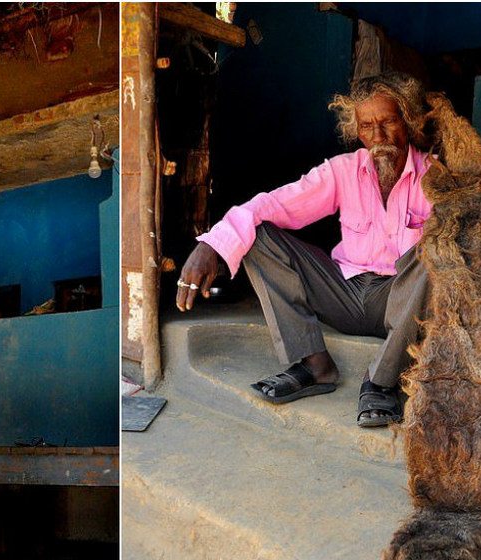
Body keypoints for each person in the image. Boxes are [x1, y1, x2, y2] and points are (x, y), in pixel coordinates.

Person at [176, 71, 431, 427]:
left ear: (408, 121)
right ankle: (315, 364)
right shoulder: (343, 171)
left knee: (436, 251)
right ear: (356, 131)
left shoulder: (435, 179)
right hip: (344, 291)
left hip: (399, 302)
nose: (379, 137)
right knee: (257, 233)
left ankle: (381, 381)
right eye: (367, 126)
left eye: (388, 122)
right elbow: (273, 204)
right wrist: (211, 246)